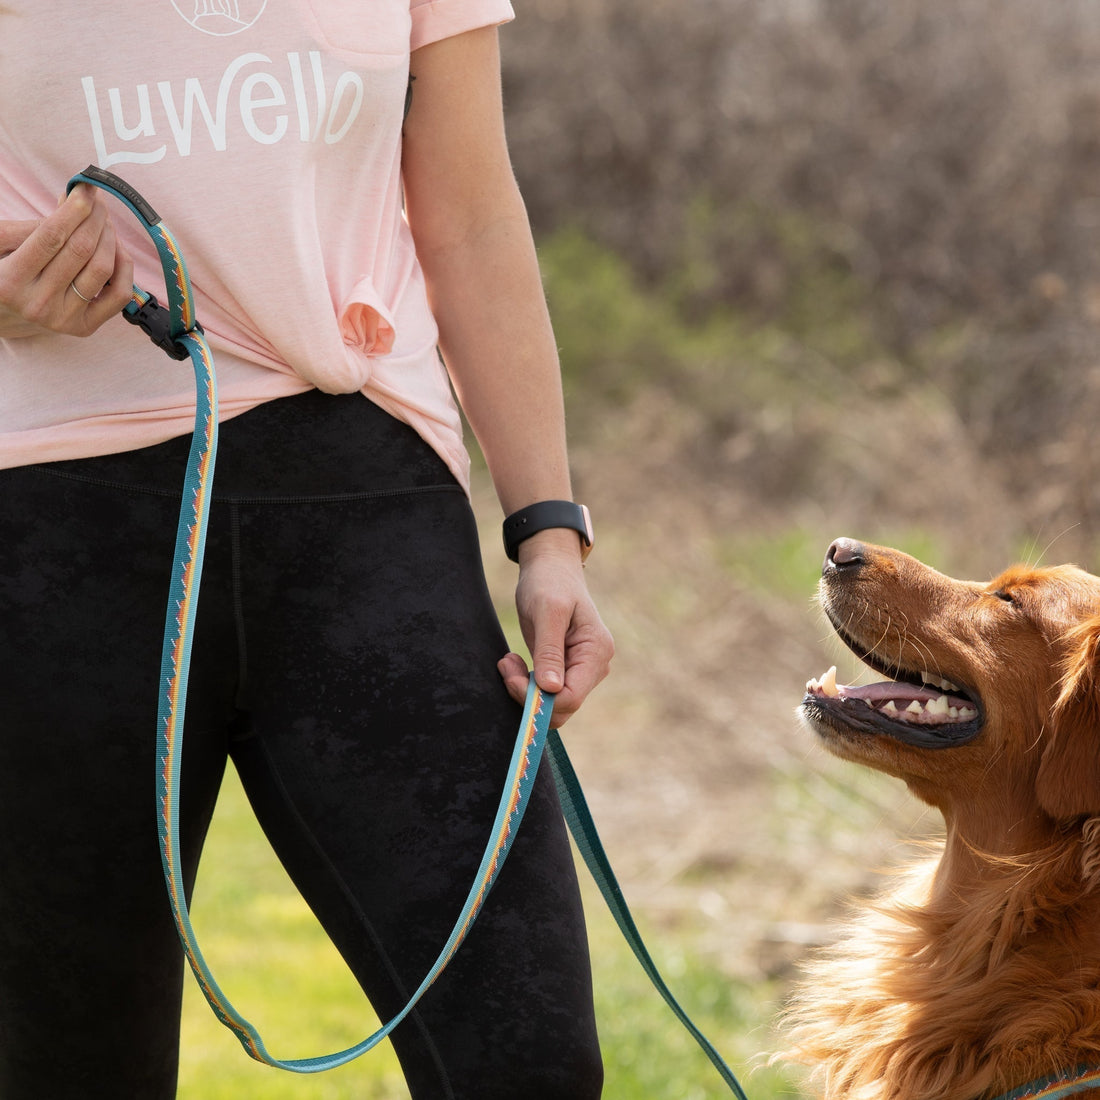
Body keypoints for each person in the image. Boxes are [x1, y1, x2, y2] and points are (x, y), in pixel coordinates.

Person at [0, 3, 613, 1098]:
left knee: (527, 1062)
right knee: (67, 1070)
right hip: (53, 521)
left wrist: (548, 530)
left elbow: (471, 213)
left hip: (367, 501)